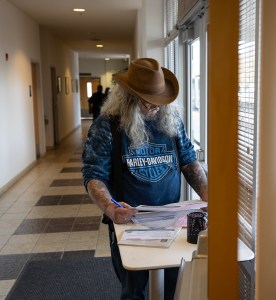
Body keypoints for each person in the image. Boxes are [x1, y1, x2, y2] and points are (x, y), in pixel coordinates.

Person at [81, 57, 208, 300]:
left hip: (173, 218)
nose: (157, 107)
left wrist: (206, 192)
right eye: (149, 103)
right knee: (133, 290)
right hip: (129, 222)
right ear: (128, 99)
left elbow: (189, 160)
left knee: (175, 285)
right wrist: (109, 207)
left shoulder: (171, 120)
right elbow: (93, 174)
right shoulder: (106, 126)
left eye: (161, 100)